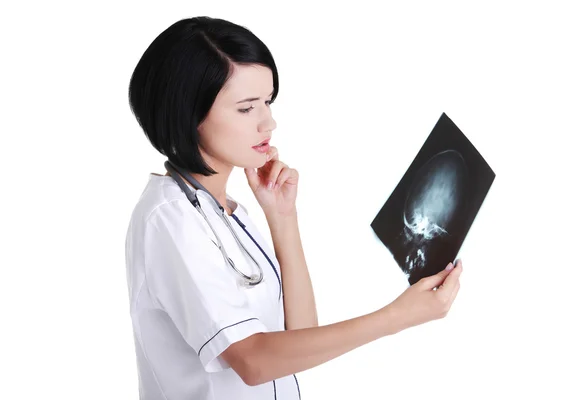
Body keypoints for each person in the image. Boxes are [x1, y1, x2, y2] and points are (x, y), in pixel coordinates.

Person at [125, 16, 463, 400]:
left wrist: (282, 217)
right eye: (246, 108)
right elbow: (252, 361)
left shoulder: (230, 213)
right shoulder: (169, 218)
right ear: (189, 115)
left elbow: (299, 334)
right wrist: (395, 318)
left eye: (267, 101)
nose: (268, 122)